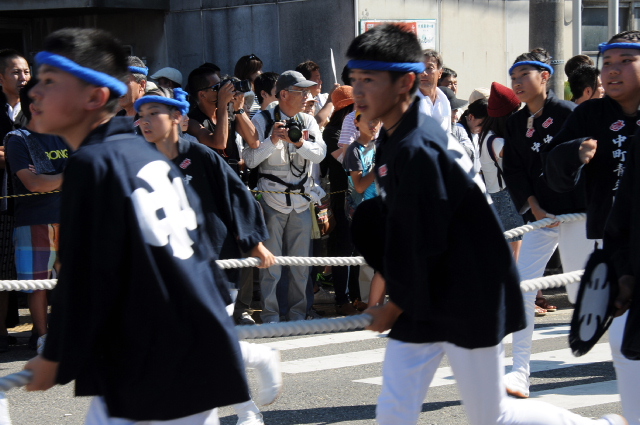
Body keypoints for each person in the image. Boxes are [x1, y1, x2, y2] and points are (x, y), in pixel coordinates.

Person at [348, 23, 627, 425]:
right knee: (394, 410)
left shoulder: (420, 148)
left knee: (492, 415)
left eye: (369, 80)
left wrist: (394, 304)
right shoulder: (395, 139)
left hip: (470, 293)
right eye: (355, 79)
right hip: (426, 294)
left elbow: (430, 238)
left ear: (404, 82)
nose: (358, 91)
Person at [23, 27, 250, 424]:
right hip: (188, 348)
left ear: (95, 97)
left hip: (152, 364)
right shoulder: (146, 154)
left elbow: (82, 274)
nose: (34, 93)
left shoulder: (92, 164)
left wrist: (56, 356)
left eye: (50, 82)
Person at [134, 87, 280, 425]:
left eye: (154, 113)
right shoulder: (141, 163)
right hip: (169, 264)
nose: (145, 121)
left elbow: (238, 197)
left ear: (178, 117)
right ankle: (255, 363)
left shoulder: (202, 156)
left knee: (206, 341)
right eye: (141, 116)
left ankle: (246, 407)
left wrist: (253, 242)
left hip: (213, 259)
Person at [543, 31, 640, 425]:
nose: (612, 71)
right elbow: (553, 170)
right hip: (615, 245)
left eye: (626, 61)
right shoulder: (591, 115)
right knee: (625, 348)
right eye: (608, 63)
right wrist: (574, 152)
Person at [502, 48, 591, 399]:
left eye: (524, 75)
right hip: (541, 217)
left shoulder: (569, 113)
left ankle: (626, 353)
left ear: (544, 76)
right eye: (513, 77)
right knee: (524, 286)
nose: (517, 83)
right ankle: (520, 371)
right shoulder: (514, 123)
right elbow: (514, 171)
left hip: (577, 214)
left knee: (584, 294)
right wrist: (534, 206)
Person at [244, 70, 327, 323]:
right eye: (300, 92)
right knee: (271, 266)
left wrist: (299, 143)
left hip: (301, 202)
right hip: (272, 202)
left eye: (307, 92)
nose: (306, 97)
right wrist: (272, 140)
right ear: (283, 94)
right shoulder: (262, 119)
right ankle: (270, 317)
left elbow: (320, 154)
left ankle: (298, 316)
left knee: (301, 266)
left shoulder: (308, 120)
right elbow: (250, 159)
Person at [4, 78, 68, 352]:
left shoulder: (66, 134)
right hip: (32, 221)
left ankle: (70, 333)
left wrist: (52, 179)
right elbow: (33, 183)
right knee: (37, 284)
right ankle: (43, 337)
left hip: (71, 218)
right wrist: (68, 175)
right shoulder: (17, 139)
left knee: (74, 280)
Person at [0, 48, 30, 352]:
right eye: (16, 72)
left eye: (27, 71)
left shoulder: (38, 107)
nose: (23, 78)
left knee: (38, 268)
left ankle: (42, 331)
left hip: (35, 197)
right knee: (2, 267)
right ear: (1, 78)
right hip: (3, 198)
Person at [477, 83, 525, 265]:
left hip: (498, 196)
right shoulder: (497, 142)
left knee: (514, 245)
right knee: (516, 247)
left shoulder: (488, 135)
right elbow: (519, 158)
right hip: (505, 197)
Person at [343, 113, 384, 308]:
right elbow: (358, 186)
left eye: (376, 120)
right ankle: (366, 304)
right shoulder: (354, 150)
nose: (373, 124)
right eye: (368, 120)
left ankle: (378, 305)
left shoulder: (382, 146)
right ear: (356, 122)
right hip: (362, 212)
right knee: (366, 261)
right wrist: (378, 168)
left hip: (382, 209)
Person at [417, 49, 451, 133]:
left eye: (429, 68)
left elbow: (448, 135)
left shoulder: (444, 101)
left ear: (440, 73)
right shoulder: (406, 102)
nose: (423, 73)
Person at [296, 60, 336, 129]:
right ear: (306, 82)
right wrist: (330, 100)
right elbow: (315, 125)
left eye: (311, 105)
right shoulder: (299, 103)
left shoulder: (325, 97)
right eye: (317, 79)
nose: (320, 82)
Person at [234, 54, 264, 119]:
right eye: (258, 70)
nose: (261, 73)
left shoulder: (261, 93)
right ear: (248, 72)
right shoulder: (240, 95)